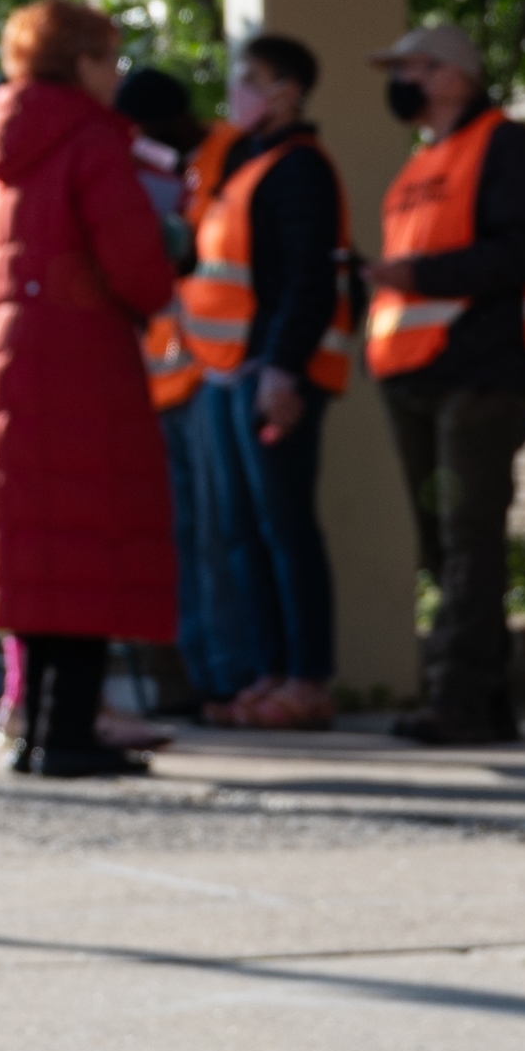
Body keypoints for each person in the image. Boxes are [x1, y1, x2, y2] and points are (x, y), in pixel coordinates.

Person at [0, 0, 180, 778]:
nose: (115, 74)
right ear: (77, 62)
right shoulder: (89, 138)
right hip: (79, 356)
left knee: (39, 551)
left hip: (11, 359)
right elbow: (132, 262)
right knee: (91, 534)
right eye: (106, 58)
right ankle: (67, 735)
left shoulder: (9, 142)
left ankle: (37, 732)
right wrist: (166, 264)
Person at [364, 19, 525, 747]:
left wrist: (419, 277)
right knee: (441, 545)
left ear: (452, 75)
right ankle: (487, 696)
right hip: (412, 374)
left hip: (481, 371)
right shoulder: (419, 164)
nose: (398, 81)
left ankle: (455, 698)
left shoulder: (505, 145)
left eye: (410, 65)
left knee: (467, 538)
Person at [177, 38, 353, 729]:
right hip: (226, 378)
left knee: (285, 528)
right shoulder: (242, 166)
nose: (238, 92)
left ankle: (307, 679)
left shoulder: (300, 168)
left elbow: (309, 280)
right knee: (243, 532)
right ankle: (268, 673)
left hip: (272, 377)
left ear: (288, 91)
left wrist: (282, 369)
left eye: (251, 80)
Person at [113, 63, 261, 720]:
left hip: (209, 370)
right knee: (178, 535)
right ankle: (194, 675)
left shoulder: (231, 156)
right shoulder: (149, 168)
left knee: (215, 534)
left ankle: (226, 676)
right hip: (162, 377)